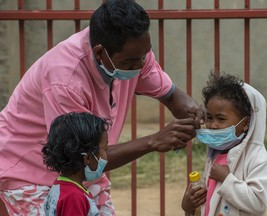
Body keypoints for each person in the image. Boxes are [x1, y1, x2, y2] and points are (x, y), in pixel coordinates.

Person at [0, 0, 204, 215]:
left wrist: (192, 109)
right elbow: (80, 157)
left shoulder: (133, 53)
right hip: (30, 172)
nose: (142, 64)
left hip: (83, 177)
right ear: (100, 53)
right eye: (131, 62)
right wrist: (154, 140)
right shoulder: (65, 79)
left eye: (146, 55)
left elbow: (171, 95)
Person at [181, 73, 267, 216]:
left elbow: (258, 203)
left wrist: (227, 179)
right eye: (209, 118)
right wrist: (189, 208)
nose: (213, 125)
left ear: (246, 123)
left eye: (221, 119)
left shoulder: (257, 158)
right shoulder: (215, 152)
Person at [42, 112, 110, 215]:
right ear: (87, 158)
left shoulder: (62, 187)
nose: (106, 156)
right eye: (105, 149)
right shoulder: (74, 197)